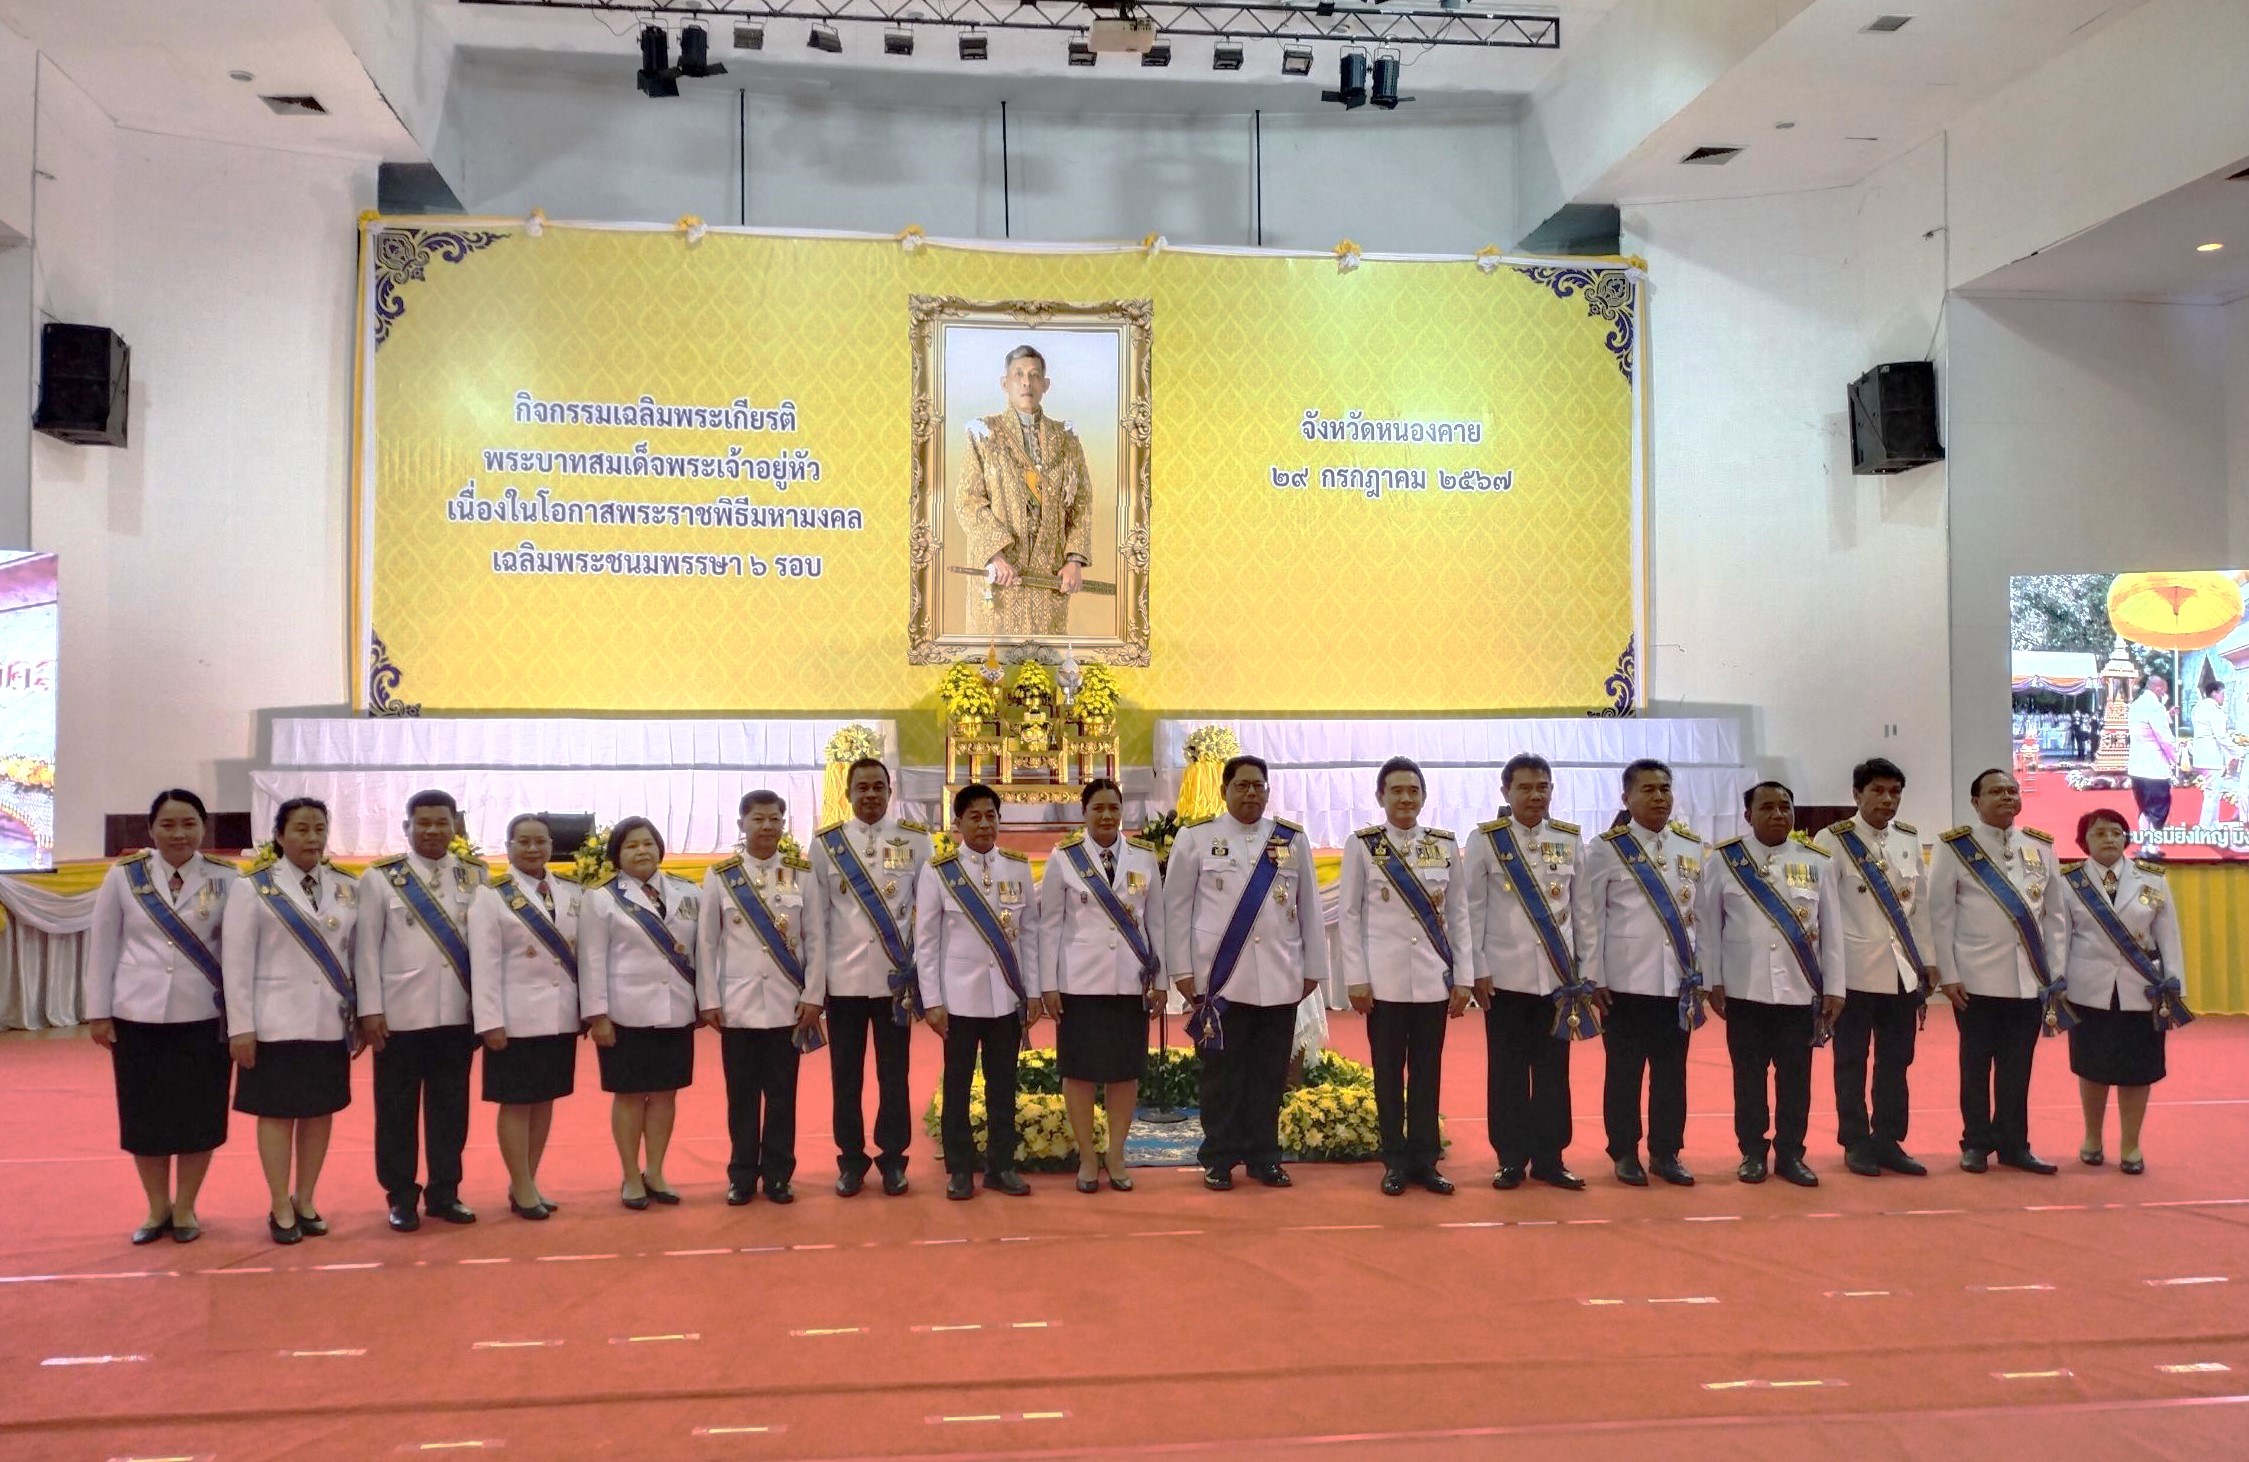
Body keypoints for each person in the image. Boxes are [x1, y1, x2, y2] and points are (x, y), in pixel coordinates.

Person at [1164, 754, 1330, 1191]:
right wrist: (1182, 971)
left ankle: (1263, 1156)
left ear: (1268, 791)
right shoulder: (1197, 838)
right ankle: (1218, 1157)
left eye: (1259, 785)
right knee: (1221, 1073)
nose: (1251, 792)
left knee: (1269, 1073)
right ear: (1225, 791)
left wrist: (1313, 968)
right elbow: (1176, 910)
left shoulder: (1291, 839)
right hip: (1220, 981)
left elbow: (1309, 908)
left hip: (1279, 975)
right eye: (1242, 785)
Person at [86, 789, 237, 1245]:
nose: (178, 833)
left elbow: (235, 952)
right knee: (143, 1116)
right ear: (151, 829)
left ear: (203, 827)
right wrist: (98, 1011)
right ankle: (156, 1208)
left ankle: (187, 1206)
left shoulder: (227, 878)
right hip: (137, 1014)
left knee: (200, 1116)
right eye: (168, 824)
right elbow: (104, 945)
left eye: (188, 823)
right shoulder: (125, 877)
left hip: (203, 1016)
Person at [222, 798, 362, 1245]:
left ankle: (306, 1197)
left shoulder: (345, 887)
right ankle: (279, 1201)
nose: (312, 838)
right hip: (273, 1024)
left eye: (319, 829)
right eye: (301, 829)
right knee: (278, 1115)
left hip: (328, 1023)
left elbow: (355, 958)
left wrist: (358, 1016)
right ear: (280, 836)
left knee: (320, 1113)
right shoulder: (253, 889)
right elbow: (236, 964)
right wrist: (240, 1027)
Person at [1453, 753, 1590, 1192]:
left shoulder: (1569, 840)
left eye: (1543, 787)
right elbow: (1470, 911)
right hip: (1505, 979)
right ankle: (1510, 1158)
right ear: (1505, 792)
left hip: (1557, 980)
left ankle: (1551, 1157)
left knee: (1554, 1072)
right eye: (1525, 787)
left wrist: (1585, 971)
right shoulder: (1486, 841)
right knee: (1508, 1071)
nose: (1535, 795)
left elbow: (1583, 913)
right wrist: (1476, 968)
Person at [1573, 758, 1709, 1187]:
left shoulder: (1690, 847)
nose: (1658, 797)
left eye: (1664, 789)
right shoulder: (1606, 848)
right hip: (1626, 983)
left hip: (1676, 982)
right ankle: (1625, 1151)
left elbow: (1698, 917)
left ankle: (1667, 1152)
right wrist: (1594, 977)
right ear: (1626, 797)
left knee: (1673, 1074)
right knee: (1625, 1073)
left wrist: (1701, 974)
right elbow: (1590, 917)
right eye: (1647, 789)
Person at [1700, 782, 1843, 1187]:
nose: (1778, 814)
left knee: (1796, 1078)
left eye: (1785, 807)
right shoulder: (1724, 861)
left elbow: (1832, 929)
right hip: (1745, 991)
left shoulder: (1818, 861)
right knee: (1748, 1077)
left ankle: (1791, 1154)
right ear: (1748, 815)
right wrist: (1713, 980)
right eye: (1768, 807)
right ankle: (1752, 1152)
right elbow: (1710, 927)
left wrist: (1835, 987)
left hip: (1800, 990)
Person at [805, 758, 934, 1197]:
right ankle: (851, 1161)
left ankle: (894, 1160)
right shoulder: (826, 845)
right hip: (842, 983)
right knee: (846, 1077)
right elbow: (816, 922)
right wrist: (816, 985)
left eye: (879, 786)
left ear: (890, 791)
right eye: (863, 788)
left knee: (894, 1076)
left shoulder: (916, 841)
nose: (871, 795)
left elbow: (928, 916)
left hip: (894, 984)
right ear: (848, 795)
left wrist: (922, 978)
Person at [1338, 756, 1467, 1196]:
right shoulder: (1362, 845)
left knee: (1428, 1072)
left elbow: (1459, 916)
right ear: (1380, 797)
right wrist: (1356, 977)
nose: (1405, 798)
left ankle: (1425, 1160)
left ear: (1424, 796)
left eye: (1413, 790)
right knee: (1388, 1073)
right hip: (1385, 983)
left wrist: (1462, 977)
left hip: (1432, 979)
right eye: (1396, 790)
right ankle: (1394, 1159)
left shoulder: (1444, 845)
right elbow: (1350, 915)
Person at [356, 789, 483, 1233]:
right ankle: (401, 1196)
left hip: (456, 1014)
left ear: (454, 826)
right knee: (395, 1111)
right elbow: (366, 949)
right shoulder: (380, 879)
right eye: (422, 822)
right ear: (406, 827)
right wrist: (369, 1010)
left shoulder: (475, 877)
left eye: (441, 822)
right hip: (399, 1018)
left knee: (451, 1110)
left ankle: (445, 1192)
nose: (432, 830)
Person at [1928, 769, 2062, 1175]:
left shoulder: (2041, 846)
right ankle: (1975, 1143)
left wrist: (2052, 973)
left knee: (2017, 1067)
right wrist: (1948, 975)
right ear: (1975, 802)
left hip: (2028, 979)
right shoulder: (1954, 848)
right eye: (1995, 791)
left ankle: (2014, 1145)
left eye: (2012, 790)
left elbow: (2054, 917)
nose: (2007, 797)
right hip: (1975, 980)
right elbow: (1940, 915)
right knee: (1975, 1066)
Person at [2047, 808, 2192, 1175]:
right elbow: (2060, 937)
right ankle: (2092, 1139)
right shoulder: (2069, 882)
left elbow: (2168, 936)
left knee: (2138, 1070)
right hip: (2087, 990)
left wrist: (2174, 985)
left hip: (2141, 991)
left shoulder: (2152, 880)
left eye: (2116, 832)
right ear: (2084, 841)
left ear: (2127, 838)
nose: (2109, 838)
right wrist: (2056, 984)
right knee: (2091, 1068)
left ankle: (2131, 1144)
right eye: (2100, 833)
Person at [697, 790, 824, 1207]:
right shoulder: (721, 876)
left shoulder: (802, 875)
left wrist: (813, 995)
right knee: (742, 1097)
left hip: (788, 1004)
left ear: (783, 825)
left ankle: (778, 1175)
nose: (767, 827)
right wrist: (710, 999)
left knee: (783, 1095)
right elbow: (707, 943)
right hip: (738, 1006)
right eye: (758, 819)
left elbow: (816, 940)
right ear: (742, 825)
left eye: (774, 819)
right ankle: (741, 1176)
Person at [1037, 777, 1165, 1194]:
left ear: (1122, 811)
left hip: (1129, 982)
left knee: (1124, 1073)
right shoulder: (1065, 859)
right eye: (1098, 809)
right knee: (1079, 1073)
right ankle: (1088, 1157)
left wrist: (1160, 980)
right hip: (1080, 983)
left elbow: (1156, 923)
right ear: (1084, 813)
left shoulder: (1143, 857)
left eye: (1114, 808)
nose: (1107, 816)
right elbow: (1050, 924)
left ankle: (1116, 1153)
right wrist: (1049, 984)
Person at [917, 784, 1043, 1200]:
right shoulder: (939, 871)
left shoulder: (1018, 867)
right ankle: (959, 1169)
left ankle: (1001, 1166)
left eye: (991, 815)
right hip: (958, 1000)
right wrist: (932, 1001)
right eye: (975, 816)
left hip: (1005, 997)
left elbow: (1028, 936)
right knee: (956, 1085)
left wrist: (1033, 992)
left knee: (1002, 1085)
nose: (985, 823)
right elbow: (927, 942)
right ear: (958, 823)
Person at [1815, 757, 1937, 1178]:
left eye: (1895, 792)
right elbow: (1823, 913)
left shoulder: (1907, 838)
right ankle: (1855, 1141)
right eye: (1878, 791)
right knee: (1851, 1059)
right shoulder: (1832, 840)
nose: (1888, 800)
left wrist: (1928, 961)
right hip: (1853, 971)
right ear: (1857, 794)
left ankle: (1889, 1140)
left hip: (1902, 970)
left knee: (1896, 1060)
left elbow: (1918, 907)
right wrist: (1828, 977)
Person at [579, 817, 701, 1208]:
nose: (641, 851)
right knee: (630, 1096)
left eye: (648, 843)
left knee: (665, 1095)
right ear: (617, 854)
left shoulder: (686, 891)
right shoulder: (601, 899)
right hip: (624, 1014)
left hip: (675, 1011)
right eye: (631, 845)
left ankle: (657, 1171)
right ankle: (631, 1175)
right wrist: (598, 1014)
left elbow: (701, 950)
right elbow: (592, 960)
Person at [467, 813, 582, 1221]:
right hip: (514, 1019)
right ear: (509, 846)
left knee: (544, 1100)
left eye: (540, 841)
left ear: (552, 845)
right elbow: (483, 964)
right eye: (523, 841)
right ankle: (520, 1183)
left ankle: (527, 1182)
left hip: (559, 1015)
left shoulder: (570, 891)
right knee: (516, 1104)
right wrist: (489, 1021)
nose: (533, 849)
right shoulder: (491, 895)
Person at [955, 343, 1095, 636]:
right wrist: (995, 555)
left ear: (1045, 384)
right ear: (1005, 383)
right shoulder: (983, 434)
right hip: (1003, 575)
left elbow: (1081, 502)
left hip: (1049, 574)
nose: (1026, 382)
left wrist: (1073, 561)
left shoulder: (1066, 438)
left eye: (1033, 375)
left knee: (1045, 668)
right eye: (1018, 374)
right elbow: (968, 500)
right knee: (992, 669)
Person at [2127, 674, 2179, 830]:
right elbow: (2165, 739)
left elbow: (2146, 726)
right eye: (2164, 690)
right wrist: (2178, 759)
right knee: (2157, 809)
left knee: (2144, 808)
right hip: (2154, 768)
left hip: (2137, 766)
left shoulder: (2136, 705)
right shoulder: (2155, 706)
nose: (2165, 694)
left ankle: (2146, 842)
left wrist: (2167, 714)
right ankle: (2151, 846)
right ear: (2158, 688)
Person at [2190, 681, 2232, 827]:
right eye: (2222, 694)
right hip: (2211, 757)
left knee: (2212, 792)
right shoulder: (2213, 709)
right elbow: (2221, 736)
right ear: (2214, 693)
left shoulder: (2198, 707)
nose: (2223, 697)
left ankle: (2212, 823)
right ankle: (2206, 826)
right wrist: (2237, 750)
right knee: (2212, 793)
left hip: (2201, 756)